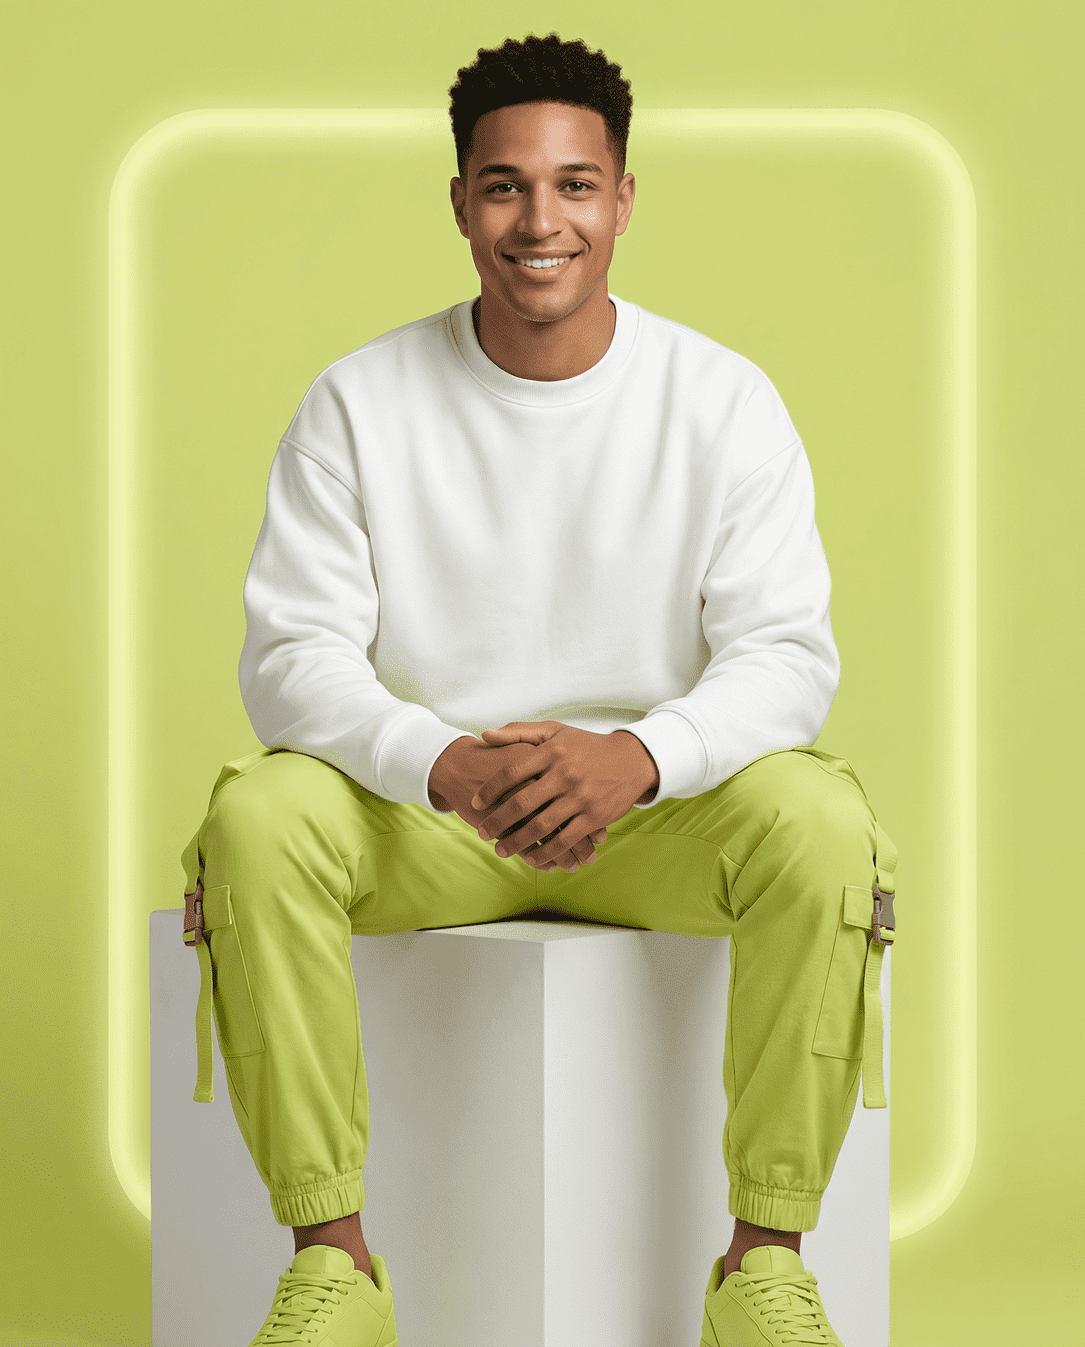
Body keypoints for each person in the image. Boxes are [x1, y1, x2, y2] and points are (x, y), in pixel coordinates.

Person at [179, 31, 898, 1347]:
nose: (538, 217)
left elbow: (788, 654)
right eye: (504, 185)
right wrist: (440, 761)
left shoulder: (723, 403)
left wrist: (639, 757)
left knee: (822, 822)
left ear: (624, 199)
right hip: (430, 820)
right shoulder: (359, 401)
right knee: (258, 819)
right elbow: (292, 657)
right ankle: (336, 1264)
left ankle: (763, 1265)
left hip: (652, 822)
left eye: (574, 184)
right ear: (459, 203)